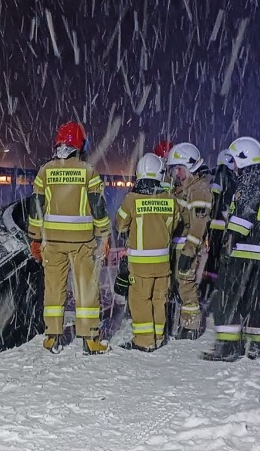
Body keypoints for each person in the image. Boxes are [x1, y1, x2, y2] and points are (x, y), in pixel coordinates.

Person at [28, 121, 111, 354]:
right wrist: (104, 236)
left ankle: (52, 336)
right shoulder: (88, 172)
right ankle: (90, 339)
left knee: (54, 289)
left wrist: (35, 238)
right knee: (86, 289)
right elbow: (98, 208)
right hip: (82, 244)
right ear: (80, 145)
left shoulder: (45, 171)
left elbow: (36, 207)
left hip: (52, 243)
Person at [202, 137, 260, 361]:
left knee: (225, 298)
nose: (233, 165)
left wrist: (227, 242)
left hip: (242, 251)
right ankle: (256, 344)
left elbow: (242, 221)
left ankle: (228, 347)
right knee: (252, 299)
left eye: (235, 160)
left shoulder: (249, 183)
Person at [114, 153, 179, 350]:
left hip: (140, 264)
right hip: (163, 263)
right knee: (159, 300)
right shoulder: (170, 199)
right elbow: (174, 225)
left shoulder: (131, 199)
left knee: (140, 300)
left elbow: (120, 225)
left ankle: (144, 341)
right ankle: (158, 337)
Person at [164, 142, 212, 340]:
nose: (176, 173)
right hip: (177, 244)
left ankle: (191, 327)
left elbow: (198, 225)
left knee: (186, 284)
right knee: (176, 284)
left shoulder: (199, 189)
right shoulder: (183, 187)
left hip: (186, 246)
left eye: (179, 168)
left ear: (190, 166)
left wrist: (189, 251)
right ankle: (181, 323)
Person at [200, 149, 235, 301]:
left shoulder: (220, 176)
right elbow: (218, 199)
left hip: (216, 225)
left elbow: (214, 199)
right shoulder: (225, 176)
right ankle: (211, 291)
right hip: (220, 225)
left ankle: (209, 291)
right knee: (216, 260)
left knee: (213, 260)